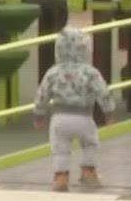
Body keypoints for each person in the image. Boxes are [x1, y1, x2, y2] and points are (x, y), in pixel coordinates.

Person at [33, 26, 116, 192]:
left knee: (60, 148)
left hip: (59, 118)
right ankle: (88, 170)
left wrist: (39, 114)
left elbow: (42, 94)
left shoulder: (53, 73)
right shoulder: (90, 73)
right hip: (84, 117)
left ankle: (61, 176)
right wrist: (109, 113)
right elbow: (103, 93)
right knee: (91, 143)